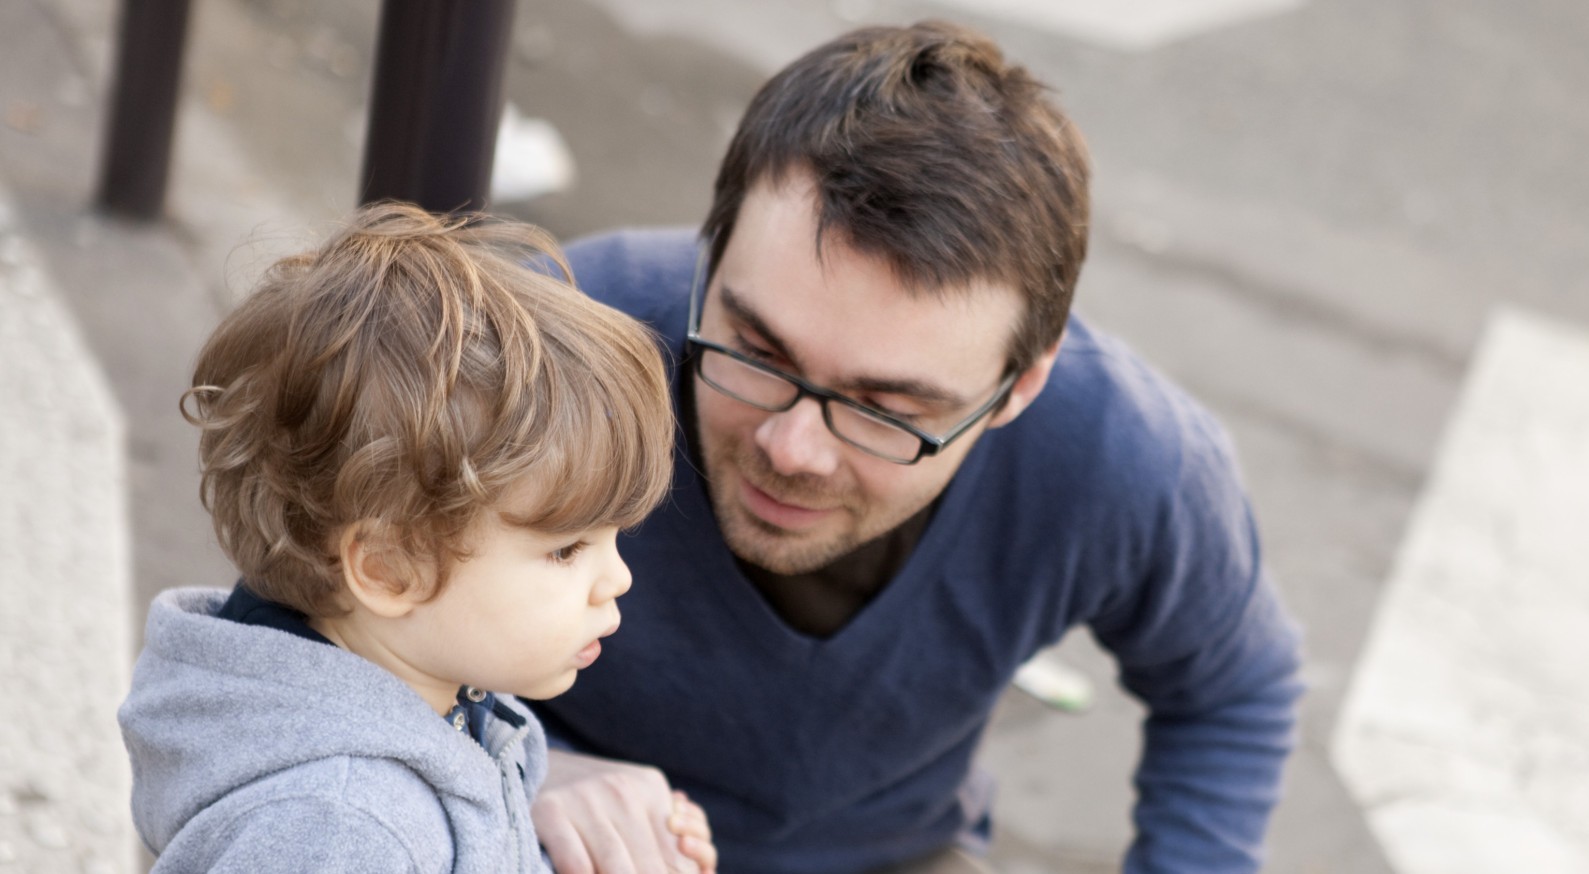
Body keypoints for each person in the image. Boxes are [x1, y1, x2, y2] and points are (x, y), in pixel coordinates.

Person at [529, 21, 1304, 874]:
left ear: (1021, 386)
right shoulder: (565, 334)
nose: (793, 448)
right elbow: (358, 612)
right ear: (711, 260)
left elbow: (1233, 691)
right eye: (757, 350)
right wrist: (517, 765)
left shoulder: (1126, 458)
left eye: (885, 409)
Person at [118, 204, 717, 873]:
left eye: (614, 538)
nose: (617, 578)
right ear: (388, 568)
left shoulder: (444, 703)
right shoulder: (340, 830)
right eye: (566, 549)